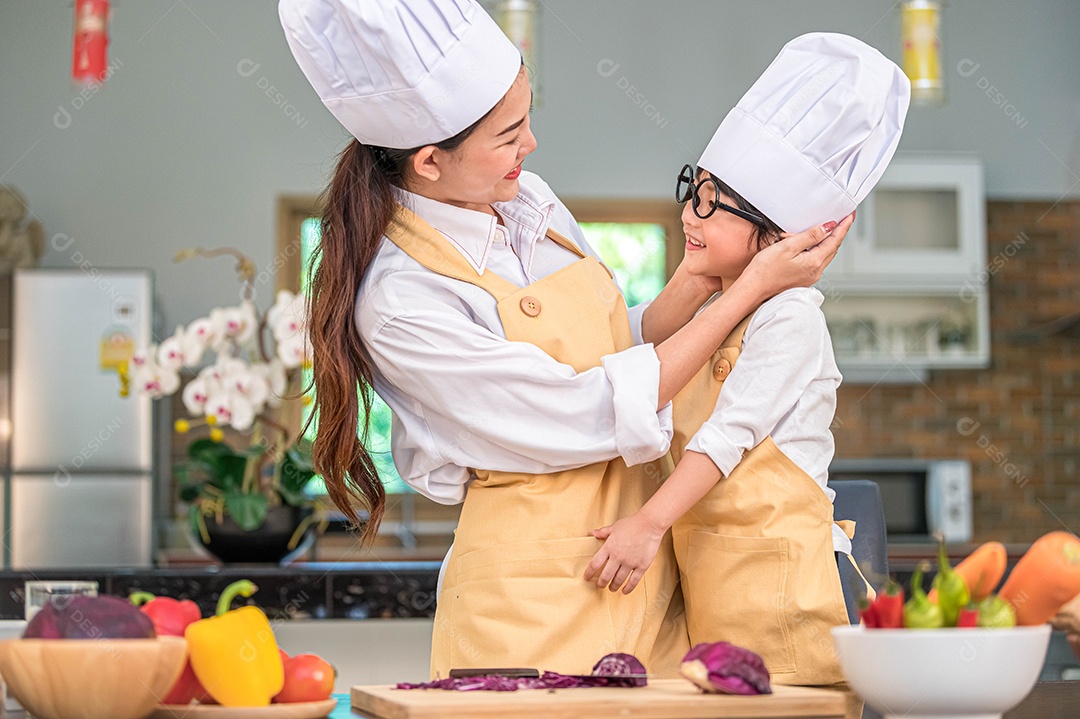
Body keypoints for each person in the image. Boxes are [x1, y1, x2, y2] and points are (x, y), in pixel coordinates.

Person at [278, 0, 851, 678]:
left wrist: (700, 278)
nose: (531, 146)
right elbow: (594, 408)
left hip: (643, 586)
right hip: (528, 612)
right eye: (510, 133)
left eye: (527, 119)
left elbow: (615, 348)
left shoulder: (528, 200)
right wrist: (749, 290)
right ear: (430, 160)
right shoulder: (402, 299)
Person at [585, 33, 910, 686]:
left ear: (775, 233)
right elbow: (631, 356)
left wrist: (648, 523)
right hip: (719, 582)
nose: (688, 213)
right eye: (691, 190)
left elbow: (728, 434)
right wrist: (700, 277)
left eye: (712, 202)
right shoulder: (724, 307)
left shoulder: (791, 317)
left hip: (790, 589)